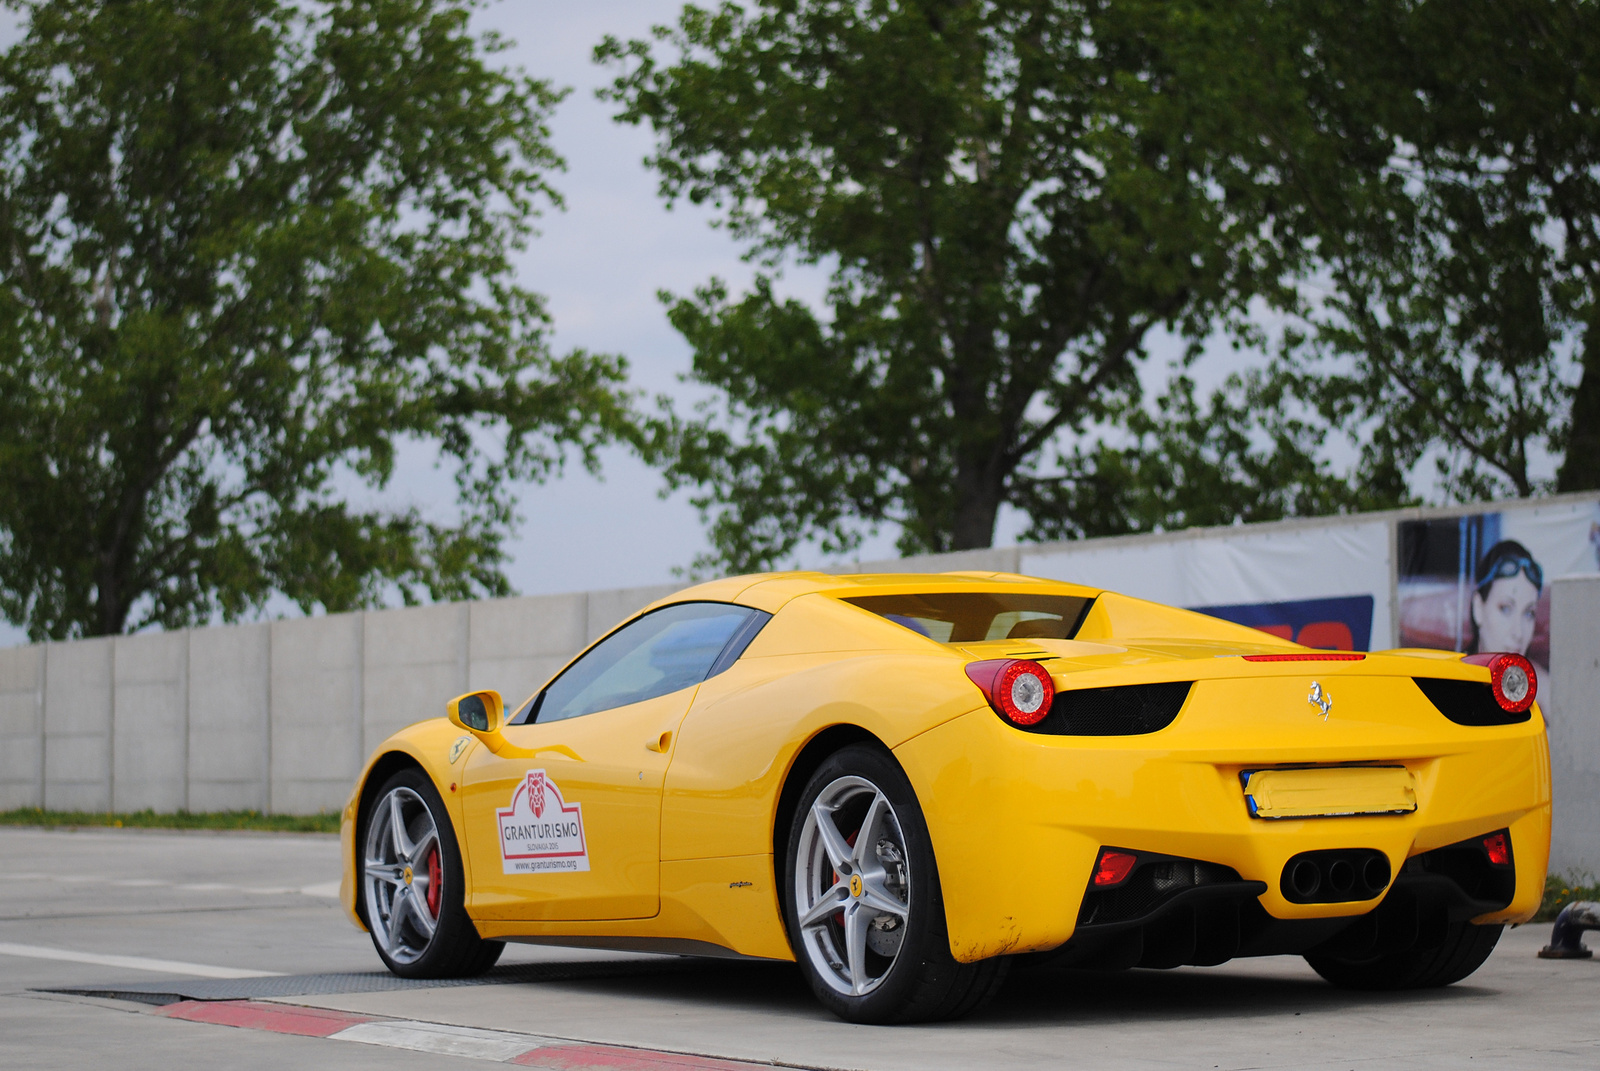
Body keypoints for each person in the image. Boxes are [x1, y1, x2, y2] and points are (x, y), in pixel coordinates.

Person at [1468, 540, 1543, 656]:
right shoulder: (1448, 673)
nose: (1518, 633)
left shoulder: (1546, 674)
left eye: (1529, 613)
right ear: (1478, 608)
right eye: (1505, 609)